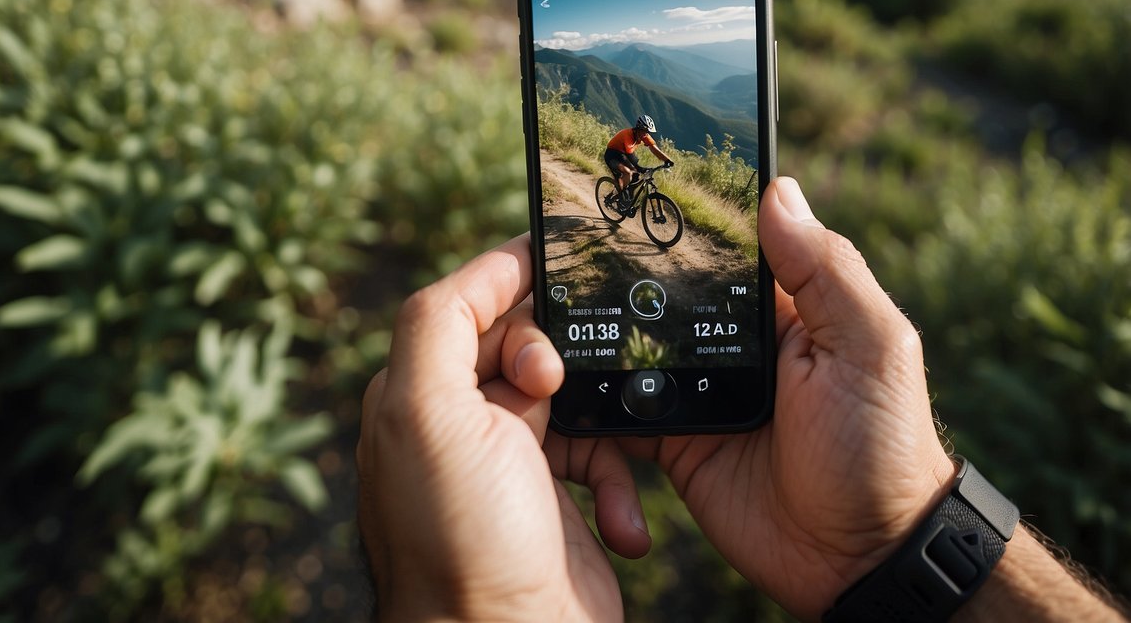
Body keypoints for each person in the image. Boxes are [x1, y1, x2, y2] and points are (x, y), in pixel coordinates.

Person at [357, 178, 1126, 621]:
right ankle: (618, 204)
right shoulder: (626, 141)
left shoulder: (648, 141)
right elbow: (633, 149)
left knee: (638, 195)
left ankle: (632, 206)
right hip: (614, 164)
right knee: (623, 188)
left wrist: (890, 539)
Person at [604, 115, 674, 210]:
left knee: (636, 177)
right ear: (638, 128)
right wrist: (640, 168)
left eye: (647, 132)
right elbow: (630, 156)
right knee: (628, 172)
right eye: (644, 131)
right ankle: (620, 196)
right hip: (612, 155)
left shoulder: (644, 135)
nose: (646, 134)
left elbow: (654, 149)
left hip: (624, 154)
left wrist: (667, 160)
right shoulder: (627, 135)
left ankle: (627, 200)